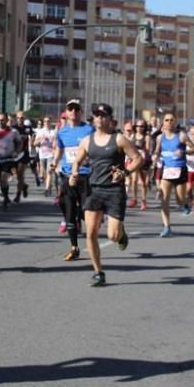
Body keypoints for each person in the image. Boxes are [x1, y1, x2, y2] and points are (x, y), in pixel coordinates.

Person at [69, 103, 142, 287]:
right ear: (93, 118)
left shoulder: (119, 139)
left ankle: (121, 233)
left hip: (114, 191)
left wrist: (125, 172)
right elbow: (77, 160)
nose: (100, 118)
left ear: (110, 119)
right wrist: (74, 174)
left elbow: (138, 158)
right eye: (97, 115)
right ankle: (98, 272)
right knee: (91, 233)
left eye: (103, 115)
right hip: (94, 190)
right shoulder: (87, 140)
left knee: (112, 236)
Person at [52, 99, 93, 261]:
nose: (74, 113)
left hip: (85, 175)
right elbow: (60, 150)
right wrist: (54, 163)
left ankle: (89, 217)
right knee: (68, 210)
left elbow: (95, 149)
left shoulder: (89, 129)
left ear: (81, 112)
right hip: (68, 176)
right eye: (71, 110)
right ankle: (74, 247)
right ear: (66, 112)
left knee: (85, 211)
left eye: (77, 110)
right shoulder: (62, 131)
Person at [153, 113, 194, 237]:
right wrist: (155, 155)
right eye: (167, 120)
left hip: (180, 170)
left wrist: (184, 151)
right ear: (163, 123)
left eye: (172, 120)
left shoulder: (181, 136)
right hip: (167, 170)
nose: (169, 122)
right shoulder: (160, 138)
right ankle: (167, 227)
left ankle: (185, 203)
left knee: (179, 200)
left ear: (175, 122)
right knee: (164, 200)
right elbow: (157, 150)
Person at [0, 113, 22, 210]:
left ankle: (5, 199)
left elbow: (19, 143)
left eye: (2, 120)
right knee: (0, 180)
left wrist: (17, 151)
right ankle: (6, 196)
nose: (0, 122)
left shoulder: (13, 131)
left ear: (6, 120)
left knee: (4, 178)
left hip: (8, 158)